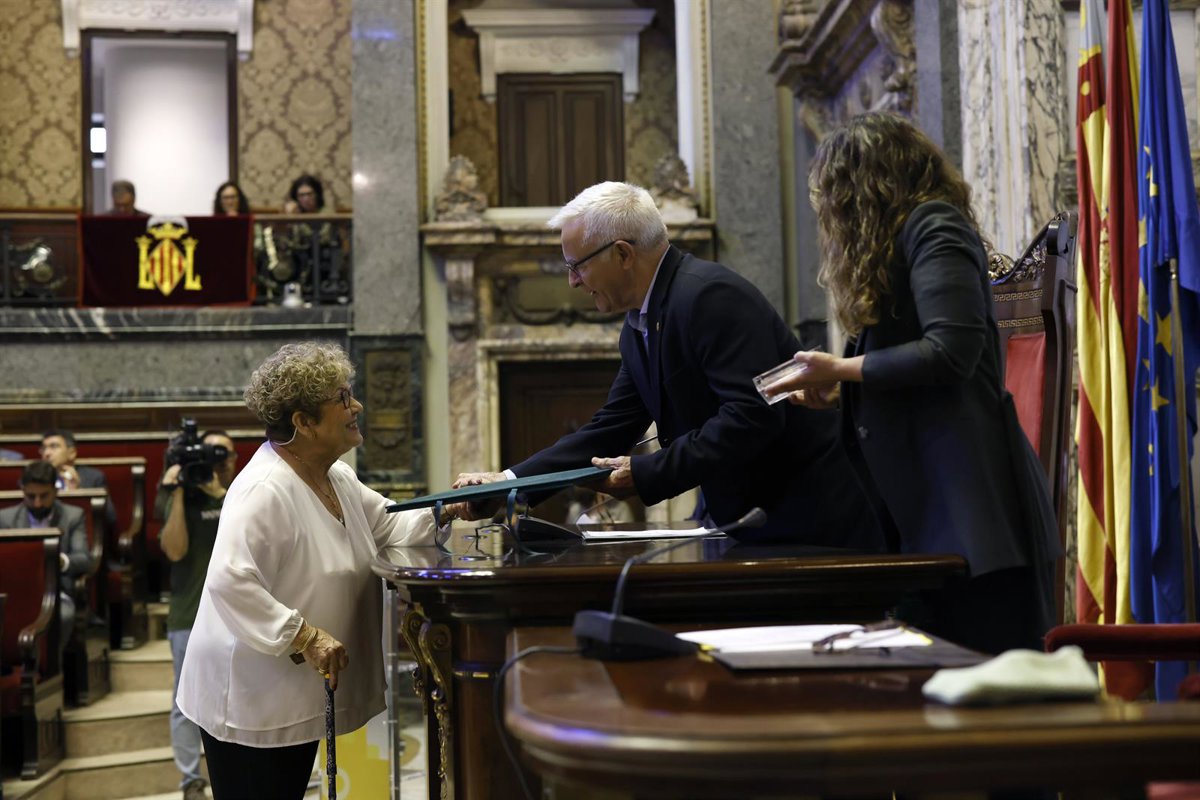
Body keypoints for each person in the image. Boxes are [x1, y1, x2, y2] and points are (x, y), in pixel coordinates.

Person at [769, 112, 1058, 654]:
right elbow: (914, 369)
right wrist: (842, 389)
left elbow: (951, 353)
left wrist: (841, 369)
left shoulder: (935, 227)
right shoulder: (905, 240)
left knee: (981, 674)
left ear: (864, 188)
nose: (828, 212)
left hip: (967, 511)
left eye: (832, 195)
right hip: (927, 511)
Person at [455, 181, 883, 548]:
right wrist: (508, 484)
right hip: (758, 525)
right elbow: (609, 429)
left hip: (813, 524)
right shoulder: (639, 324)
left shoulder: (709, 296)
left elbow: (752, 417)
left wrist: (646, 472)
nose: (572, 281)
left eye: (577, 266)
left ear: (623, 254)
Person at [175, 342, 442, 799]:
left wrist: (455, 508)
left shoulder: (336, 477)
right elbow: (230, 581)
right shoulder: (264, 488)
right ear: (303, 422)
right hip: (248, 696)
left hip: (290, 690)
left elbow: (392, 525)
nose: (356, 406)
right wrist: (306, 637)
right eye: (342, 398)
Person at [157, 429, 238, 800]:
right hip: (188, 615)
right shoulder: (178, 495)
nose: (217, 462)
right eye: (210, 453)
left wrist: (220, 495)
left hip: (238, 616)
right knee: (184, 701)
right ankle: (191, 780)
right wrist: (177, 493)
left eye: (224, 454)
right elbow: (174, 550)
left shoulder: (242, 495)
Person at [0, 460, 91, 641]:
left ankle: (52, 660)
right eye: (31, 496)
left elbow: (83, 559)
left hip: (56, 593)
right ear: (23, 491)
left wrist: (60, 561)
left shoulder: (73, 516)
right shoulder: (5, 518)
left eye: (44, 496)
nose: (37, 503)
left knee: (63, 616)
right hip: (15, 593)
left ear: (55, 491)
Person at [41, 428, 116, 531]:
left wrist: (78, 492)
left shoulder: (93, 477)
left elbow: (110, 517)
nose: (46, 453)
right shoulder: (35, 478)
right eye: (44, 448)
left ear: (71, 453)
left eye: (53, 447)